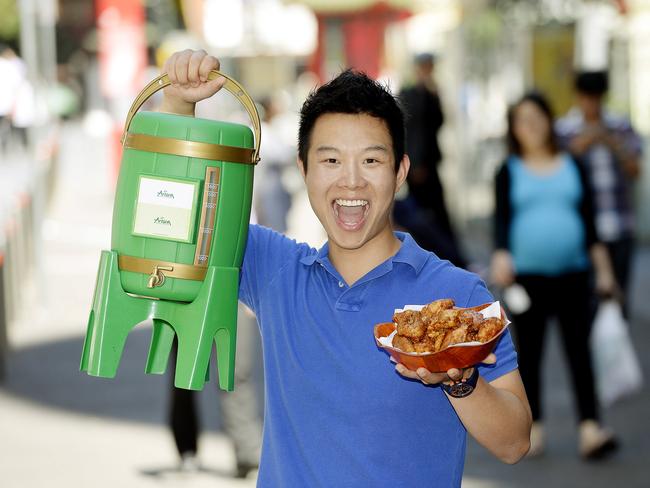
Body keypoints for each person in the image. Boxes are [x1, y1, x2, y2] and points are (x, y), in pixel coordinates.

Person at [160, 49, 531, 487]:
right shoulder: (275, 269)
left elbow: (514, 442)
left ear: (400, 173)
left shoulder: (459, 297)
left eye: (371, 161)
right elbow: (171, 217)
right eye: (331, 160)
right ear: (304, 171)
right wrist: (178, 106)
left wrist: (459, 379)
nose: (351, 180)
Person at [490, 92, 618, 460]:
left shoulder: (572, 164)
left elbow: (590, 225)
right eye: (520, 119)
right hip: (527, 280)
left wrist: (605, 272)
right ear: (513, 129)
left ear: (549, 119)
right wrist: (500, 256)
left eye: (535, 116)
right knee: (529, 354)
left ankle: (590, 427)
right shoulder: (507, 170)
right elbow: (501, 224)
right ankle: (535, 429)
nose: (529, 125)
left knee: (580, 350)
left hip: (575, 275)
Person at [556, 71, 642, 317]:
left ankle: (617, 351)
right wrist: (583, 143)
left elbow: (635, 170)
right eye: (586, 98)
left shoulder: (621, 126)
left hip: (620, 224)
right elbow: (556, 170)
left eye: (596, 98)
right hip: (583, 230)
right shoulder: (565, 130)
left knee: (619, 298)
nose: (591, 104)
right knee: (587, 303)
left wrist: (610, 141)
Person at [168, 303, 262, 478]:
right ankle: (187, 450)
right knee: (185, 377)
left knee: (236, 375)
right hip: (189, 294)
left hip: (235, 295)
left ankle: (247, 453)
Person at [395, 53, 465, 267]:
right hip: (417, 167)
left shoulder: (432, 92)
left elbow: (438, 123)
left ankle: (452, 258)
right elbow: (409, 130)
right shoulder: (408, 93)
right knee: (422, 216)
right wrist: (415, 164)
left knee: (438, 215)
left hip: (430, 163)